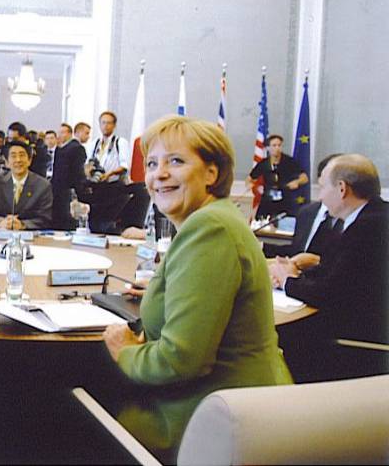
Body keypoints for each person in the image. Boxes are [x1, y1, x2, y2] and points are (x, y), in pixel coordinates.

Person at [102, 115, 292, 459]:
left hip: (209, 424)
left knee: (55, 411)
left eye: (175, 161)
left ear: (211, 174)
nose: (159, 174)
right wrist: (167, 293)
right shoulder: (217, 218)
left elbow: (180, 360)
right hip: (240, 408)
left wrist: (126, 352)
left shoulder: (209, 228)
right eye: (152, 163)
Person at [269, 154, 388, 352]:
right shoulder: (371, 217)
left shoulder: (367, 228)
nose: (321, 197)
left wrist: (287, 279)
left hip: (359, 341)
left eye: (323, 187)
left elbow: (327, 294)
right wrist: (296, 270)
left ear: (342, 189)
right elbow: (336, 272)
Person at [263, 153, 343, 262]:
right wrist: (259, 246)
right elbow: (297, 251)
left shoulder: (352, 219)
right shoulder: (307, 212)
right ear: (321, 179)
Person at [0, 140, 52, 230]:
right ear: (6, 162)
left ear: (29, 160)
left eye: (22, 155)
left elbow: (46, 218)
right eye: (13, 156)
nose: (18, 160)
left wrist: (23, 224)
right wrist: (0, 222)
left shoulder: (43, 185)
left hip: (30, 235)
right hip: (1, 233)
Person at [86, 111, 132, 233]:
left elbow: (124, 166)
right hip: (97, 188)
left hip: (113, 187)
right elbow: (88, 162)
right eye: (103, 123)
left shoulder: (120, 142)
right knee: (94, 222)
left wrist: (109, 174)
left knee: (108, 222)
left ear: (114, 125)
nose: (106, 126)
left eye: (109, 123)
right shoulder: (94, 144)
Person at [246, 134, 308, 219]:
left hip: (285, 201)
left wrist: (297, 182)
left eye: (279, 145)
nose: (277, 148)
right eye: (274, 145)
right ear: (268, 148)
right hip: (267, 200)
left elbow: (305, 178)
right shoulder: (263, 163)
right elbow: (249, 179)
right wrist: (251, 185)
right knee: (261, 222)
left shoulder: (289, 161)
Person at [51, 123, 88, 230]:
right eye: (59, 132)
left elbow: (77, 171)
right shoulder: (63, 148)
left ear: (70, 133)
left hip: (64, 190)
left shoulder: (74, 148)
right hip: (63, 190)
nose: (59, 135)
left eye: (62, 132)